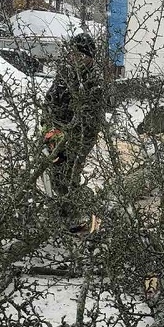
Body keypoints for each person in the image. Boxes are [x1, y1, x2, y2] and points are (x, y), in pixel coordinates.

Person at [42, 32, 103, 207]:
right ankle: (64, 208)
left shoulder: (94, 82)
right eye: (72, 54)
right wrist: (48, 132)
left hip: (79, 138)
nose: (74, 58)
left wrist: (68, 141)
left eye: (80, 55)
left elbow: (89, 121)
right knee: (55, 172)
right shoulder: (64, 74)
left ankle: (80, 207)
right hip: (56, 134)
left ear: (89, 58)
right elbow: (49, 103)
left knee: (68, 174)